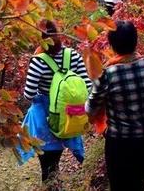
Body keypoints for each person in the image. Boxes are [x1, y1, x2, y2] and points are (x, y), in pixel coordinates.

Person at [85, 21, 144, 191]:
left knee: (119, 184)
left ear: (112, 45)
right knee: (137, 180)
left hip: (119, 142)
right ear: (136, 41)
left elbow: (91, 108)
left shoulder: (107, 74)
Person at [19, 20, 92, 189]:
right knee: (54, 164)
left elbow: (29, 94)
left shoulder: (38, 60)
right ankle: (55, 184)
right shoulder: (73, 55)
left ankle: (52, 186)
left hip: (45, 118)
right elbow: (87, 85)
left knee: (47, 168)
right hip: (67, 115)